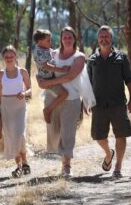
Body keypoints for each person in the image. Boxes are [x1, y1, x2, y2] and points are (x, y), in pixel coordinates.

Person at [87, 25, 131, 178]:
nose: (104, 39)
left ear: (111, 38)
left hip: (118, 104)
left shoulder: (121, 58)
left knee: (121, 135)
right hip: (98, 105)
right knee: (98, 136)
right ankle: (109, 153)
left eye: (106, 36)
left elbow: (129, 79)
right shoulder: (92, 60)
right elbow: (87, 83)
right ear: (98, 39)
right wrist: (85, 101)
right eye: (101, 37)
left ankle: (118, 168)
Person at [37, 26, 86, 177]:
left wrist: (48, 83)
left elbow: (70, 76)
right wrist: (40, 80)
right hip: (52, 96)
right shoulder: (53, 53)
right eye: (64, 37)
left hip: (71, 99)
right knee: (55, 131)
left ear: (74, 39)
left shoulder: (79, 57)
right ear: (61, 39)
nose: (67, 39)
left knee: (68, 133)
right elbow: (41, 66)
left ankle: (67, 166)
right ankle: (49, 109)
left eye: (70, 37)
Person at [0, 45, 32, 178]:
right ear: (3, 58)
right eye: (7, 57)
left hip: (20, 105)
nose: (9, 59)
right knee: (11, 137)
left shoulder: (22, 72)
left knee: (20, 134)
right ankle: (19, 165)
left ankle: (25, 161)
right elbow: (0, 92)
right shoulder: (0, 74)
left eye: (11, 56)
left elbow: (30, 88)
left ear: (16, 57)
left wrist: (24, 92)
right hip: (6, 106)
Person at [33, 29, 70, 124]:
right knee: (64, 94)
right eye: (48, 40)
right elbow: (47, 66)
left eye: (50, 40)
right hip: (48, 79)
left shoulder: (47, 49)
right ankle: (48, 110)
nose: (50, 42)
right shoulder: (38, 51)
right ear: (40, 42)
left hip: (50, 77)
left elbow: (53, 54)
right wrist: (61, 69)